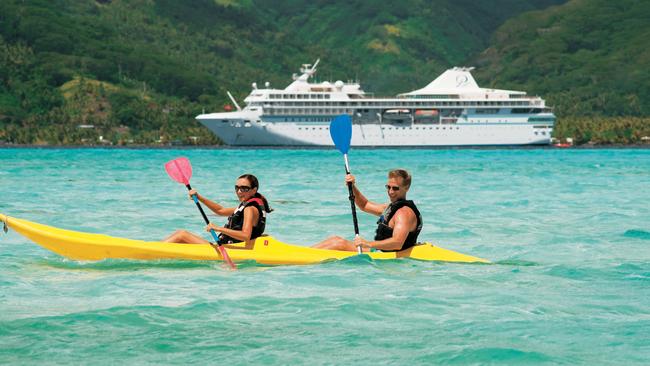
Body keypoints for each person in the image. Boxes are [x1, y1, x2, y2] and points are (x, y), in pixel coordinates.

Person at [313, 169, 422, 252]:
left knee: (337, 243)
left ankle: (300, 255)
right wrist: (352, 187)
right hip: (379, 252)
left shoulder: (404, 213)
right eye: (388, 187)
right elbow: (364, 205)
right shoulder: (391, 208)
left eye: (395, 188)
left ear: (406, 188)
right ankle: (302, 251)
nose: (390, 192)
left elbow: (397, 243)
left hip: (385, 255)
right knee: (335, 239)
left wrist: (368, 244)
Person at [163, 174, 272, 244]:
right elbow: (220, 210)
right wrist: (199, 197)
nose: (239, 191)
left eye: (244, 188)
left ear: (254, 190)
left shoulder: (250, 209)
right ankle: (155, 248)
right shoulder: (246, 206)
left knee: (181, 235)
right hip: (226, 246)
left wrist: (218, 228)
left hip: (229, 249)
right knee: (181, 235)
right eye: (237, 188)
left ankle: (151, 251)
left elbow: (245, 236)